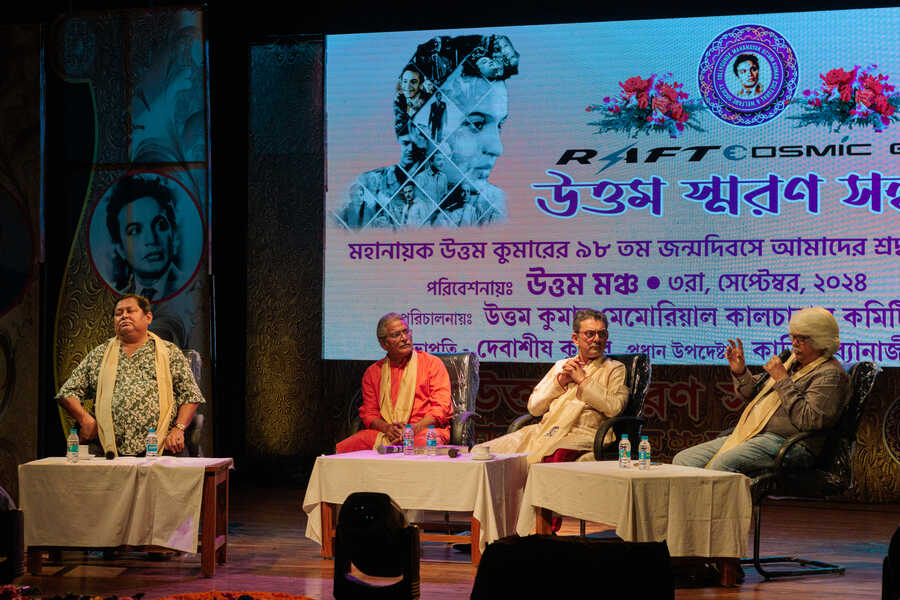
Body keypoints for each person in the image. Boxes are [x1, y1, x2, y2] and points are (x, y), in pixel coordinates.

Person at [349, 33, 519, 228]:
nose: (497, 148)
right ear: (418, 131)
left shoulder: (494, 207)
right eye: (475, 124)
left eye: (499, 125)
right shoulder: (364, 195)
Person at [672, 306, 850, 475]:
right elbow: (752, 393)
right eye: (793, 337)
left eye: (802, 338)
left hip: (790, 444)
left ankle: (723, 508)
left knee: (723, 465)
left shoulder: (830, 375)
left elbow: (809, 420)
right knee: (684, 461)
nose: (794, 343)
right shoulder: (791, 362)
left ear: (821, 341)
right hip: (754, 434)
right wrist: (740, 371)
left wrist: (782, 380)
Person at [56, 293, 205, 457]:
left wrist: (179, 428)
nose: (124, 316)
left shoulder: (169, 352)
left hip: (162, 446)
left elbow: (190, 395)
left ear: (148, 318)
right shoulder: (99, 354)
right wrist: (85, 419)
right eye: (118, 313)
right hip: (106, 448)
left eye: (130, 311)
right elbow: (67, 393)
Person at [473, 310, 629, 465]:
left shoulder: (614, 368)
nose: (597, 339)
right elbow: (534, 408)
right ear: (575, 339)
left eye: (602, 334)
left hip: (583, 433)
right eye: (590, 334)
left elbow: (614, 408)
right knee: (484, 453)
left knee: (552, 458)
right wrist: (559, 383)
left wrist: (583, 380)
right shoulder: (562, 366)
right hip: (546, 430)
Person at [336, 313, 452, 453]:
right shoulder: (373, 373)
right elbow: (369, 413)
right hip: (386, 434)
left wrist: (412, 429)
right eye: (396, 335)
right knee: (346, 447)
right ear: (384, 344)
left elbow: (441, 408)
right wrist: (388, 429)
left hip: (423, 431)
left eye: (406, 331)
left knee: (421, 445)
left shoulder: (432, 364)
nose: (404, 338)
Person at [106, 173, 182, 301]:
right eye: (135, 231)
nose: (151, 240)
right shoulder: (117, 299)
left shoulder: (194, 290)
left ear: (172, 231)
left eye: (160, 225)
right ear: (120, 248)